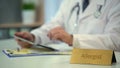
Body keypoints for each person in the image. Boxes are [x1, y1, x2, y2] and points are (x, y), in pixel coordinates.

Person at [15, 0, 120, 51]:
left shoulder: (114, 3)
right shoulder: (70, 1)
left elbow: (116, 40)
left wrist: (72, 39)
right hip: (69, 61)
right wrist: (33, 37)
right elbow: (54, 25)